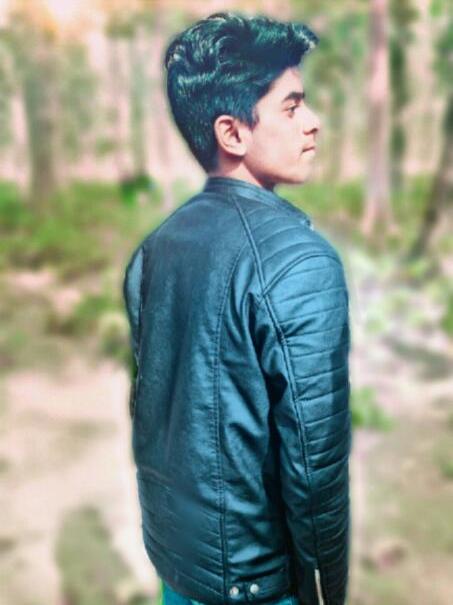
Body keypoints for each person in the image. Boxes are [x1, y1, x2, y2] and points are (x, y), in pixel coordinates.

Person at [123, 11, 352, 605]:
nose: (313, 122)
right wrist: (325, 590)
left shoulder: (156, 247)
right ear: (232, 133)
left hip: (179, 562)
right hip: (254, 583)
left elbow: (152, 408)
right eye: (292, 107)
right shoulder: (299, 262)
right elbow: (314, 463)